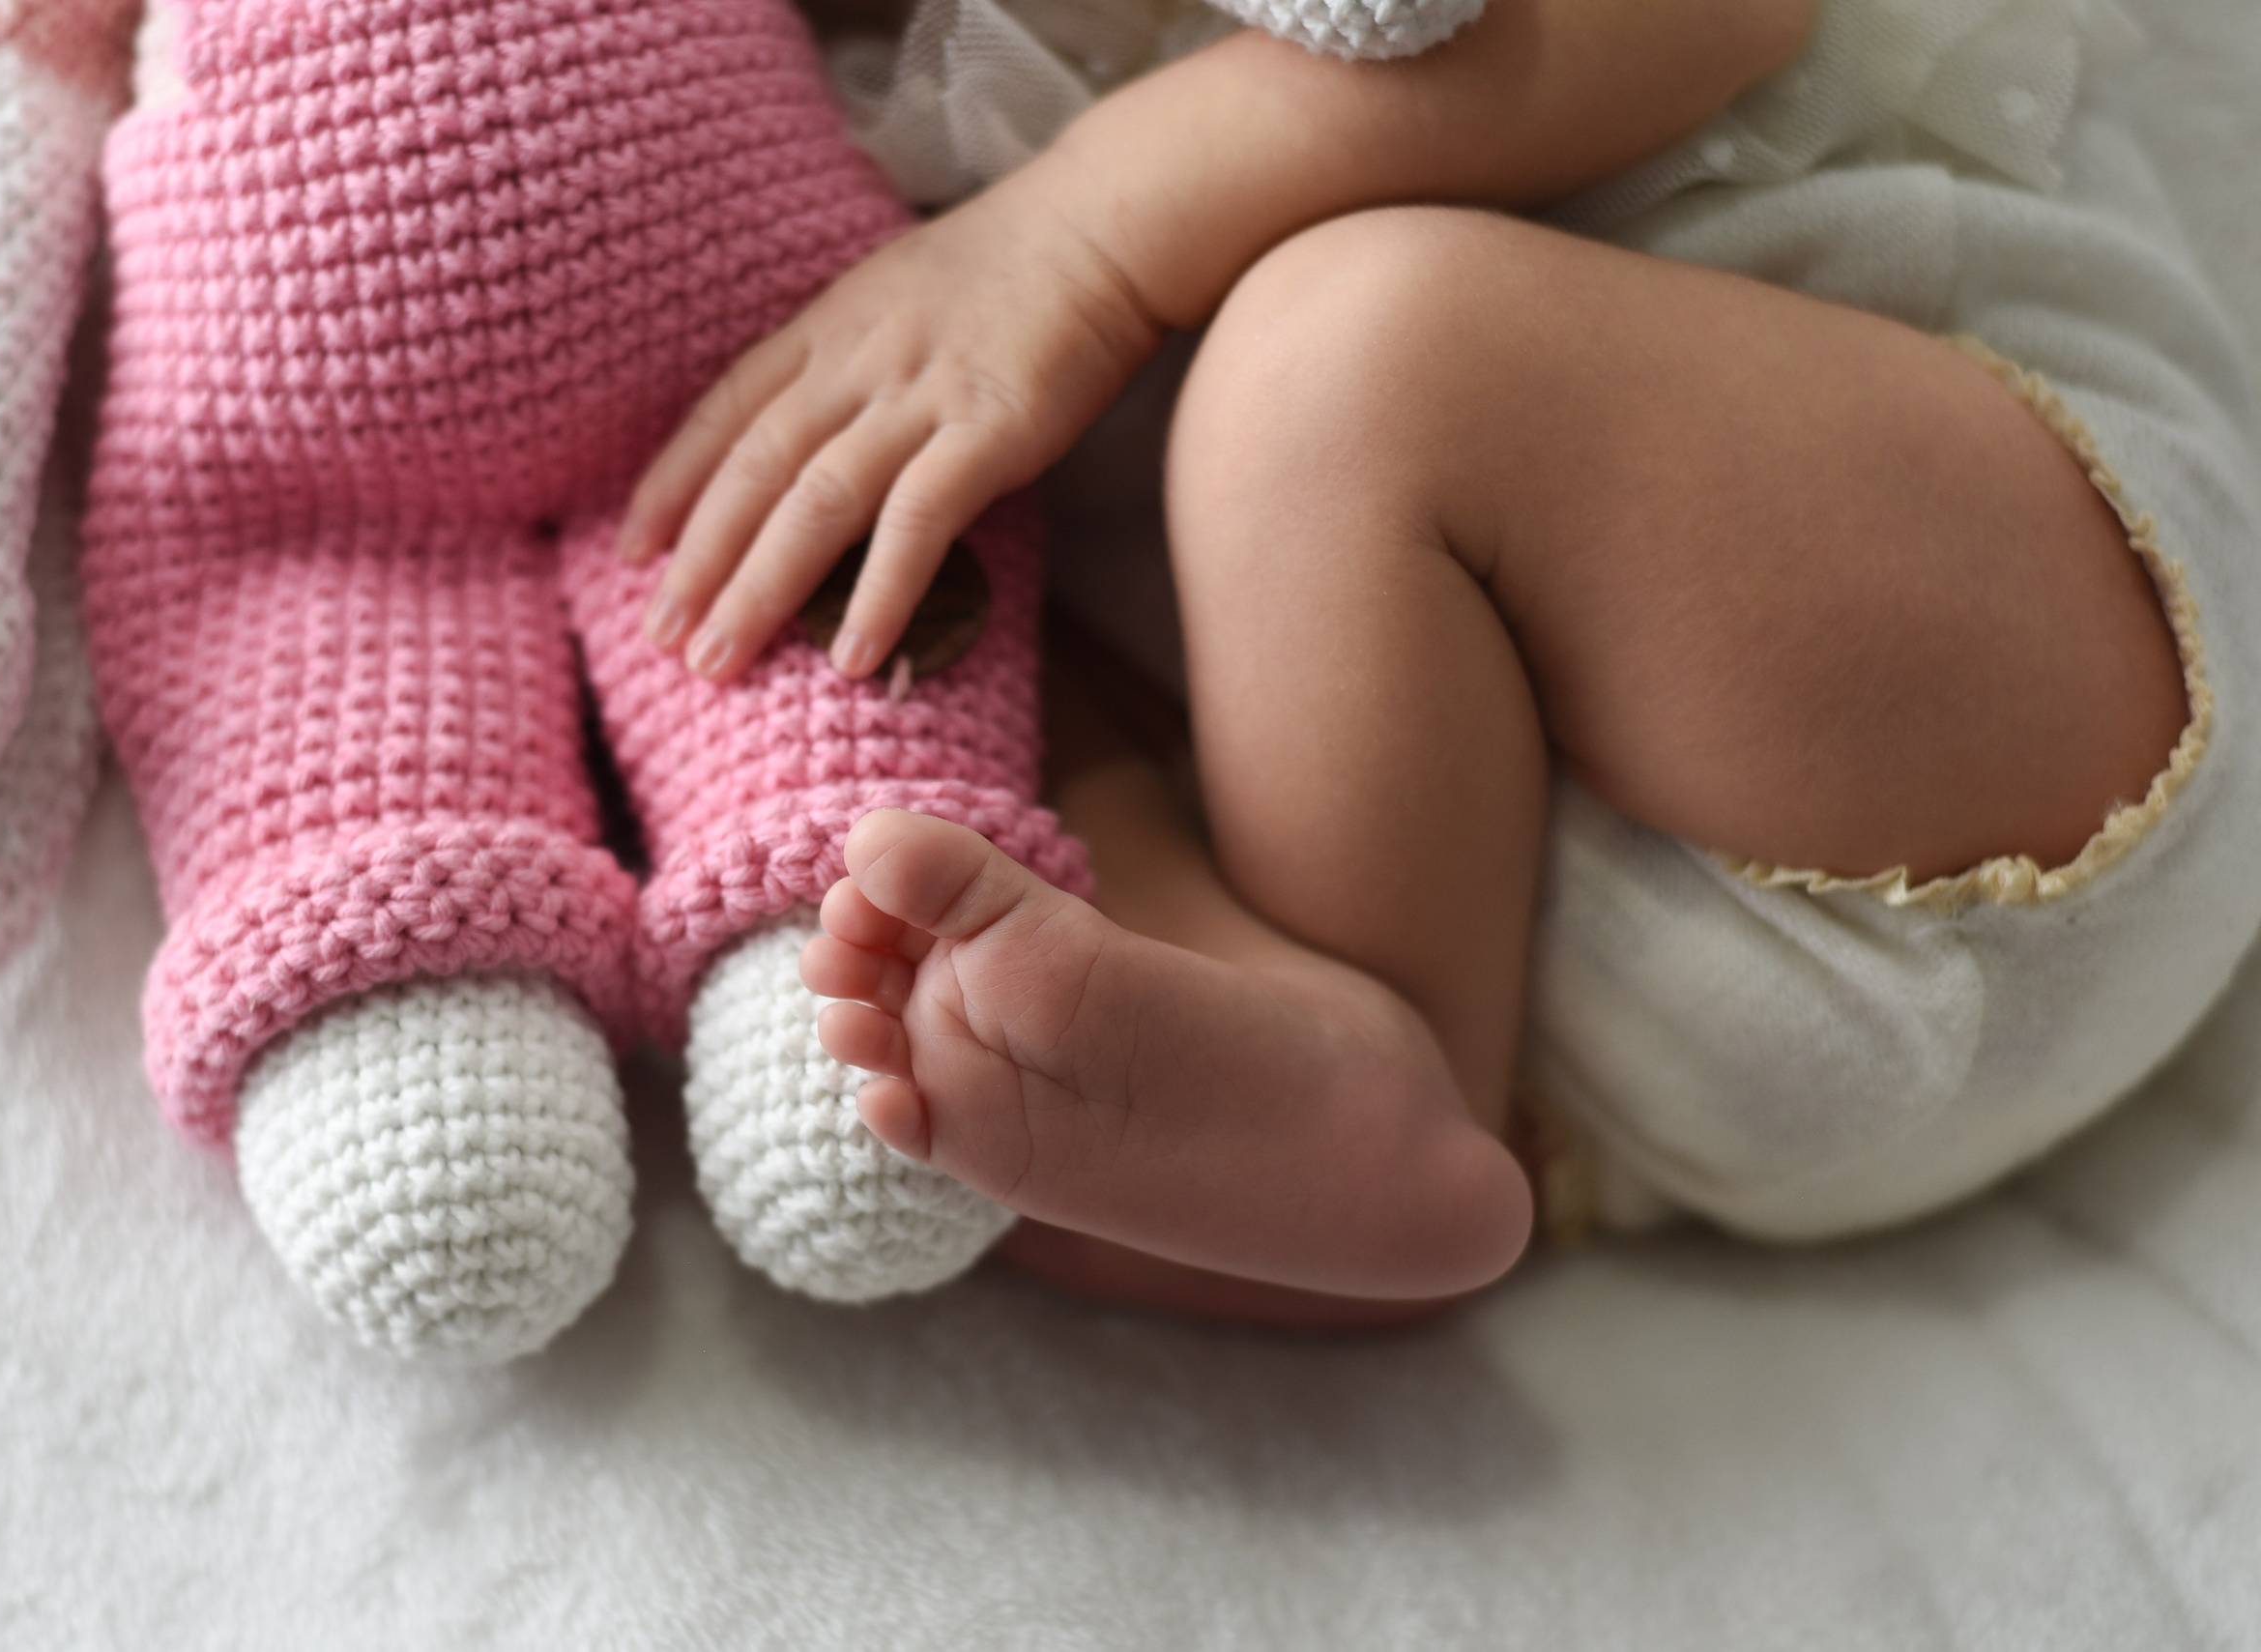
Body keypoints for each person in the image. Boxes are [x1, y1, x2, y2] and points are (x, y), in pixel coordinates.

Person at [616, 0, 2261, 1324]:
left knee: (1356, 360)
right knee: (902, 669)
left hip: (1987, 670)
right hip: (1557, 1025)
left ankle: (1364, 1067)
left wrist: (1076, 235)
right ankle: (1301, 1115)